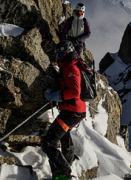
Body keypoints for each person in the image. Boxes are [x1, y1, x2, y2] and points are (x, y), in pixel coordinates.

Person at [42, 40, 87, 180]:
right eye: (58, 54)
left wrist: (56, 96)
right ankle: (68, 159)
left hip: (72, 112)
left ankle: (63, 173)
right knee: (63, 134)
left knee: (49, 142)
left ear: (67, 54)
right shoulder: (68, 66)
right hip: (74, 111)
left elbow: (74, 91)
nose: (58, 57)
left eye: (61, 54)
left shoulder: (71, 68)